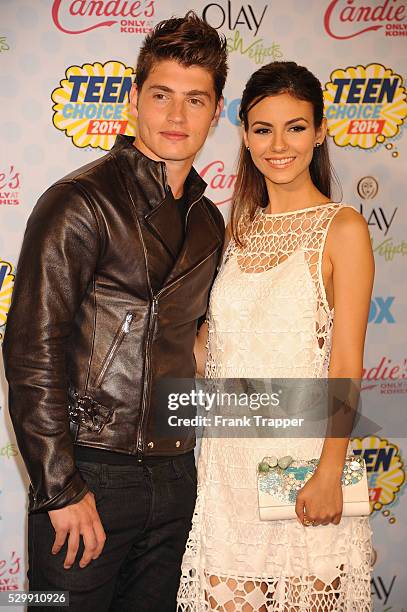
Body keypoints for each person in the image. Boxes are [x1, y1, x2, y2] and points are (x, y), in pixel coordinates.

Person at [3, 12, 227, 612]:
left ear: (216, 110)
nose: (177, 117)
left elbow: (197, 344)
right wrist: (59, 489)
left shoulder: (210, 223)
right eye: (161, 95)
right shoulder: (79, 202)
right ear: (133, 101)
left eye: (195, 100)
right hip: (87, 477)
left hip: (177, 480)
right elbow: (30, 352)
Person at [178, 61, 374, 611]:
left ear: (320, 131)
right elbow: (213, 352)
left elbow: (346, 360)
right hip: (227, 477)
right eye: (263, 129)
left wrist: (329, 471)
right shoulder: (236, 230)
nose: (279, 144)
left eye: (296, 127)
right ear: (244, 134)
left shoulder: (344, 228)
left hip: (303, 469)